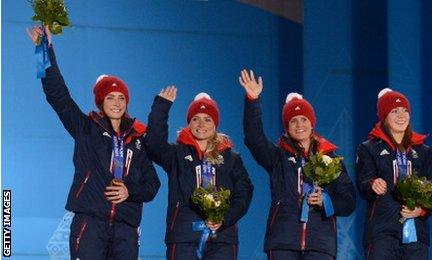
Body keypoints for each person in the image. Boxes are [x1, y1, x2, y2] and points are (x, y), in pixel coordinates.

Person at [28, 26, 160, 259]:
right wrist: (44, 51)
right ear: (101, 102)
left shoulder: (136, 140)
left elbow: (152, 185)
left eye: (121, 98)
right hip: (90, 223)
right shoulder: (86, 129)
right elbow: (56, 94)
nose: (117, 103)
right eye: (110, 97)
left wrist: (130, 190)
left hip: (125, 230)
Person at [239, 69, 356, 259]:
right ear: (287, 127)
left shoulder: (330, 159)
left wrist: (326, 201)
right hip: (282, 241)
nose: (299, 124)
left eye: (304, 119)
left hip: (320, 244)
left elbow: (349, 201)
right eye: (293, 121)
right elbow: (254, 138)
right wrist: (252, 100)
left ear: (312, 124)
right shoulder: (277, 157)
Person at [145, 86, 253, 259]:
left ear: (215, 125)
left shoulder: (231, 159)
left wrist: (224, 219)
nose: (201, 124)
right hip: (183, 237)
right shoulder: (177, 154)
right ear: (189, 123)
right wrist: (161, 107)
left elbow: (244, 193)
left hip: (222, 239)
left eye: (207, 119)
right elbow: (153, 144)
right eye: (195, 119)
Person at [356, 88, 432, 259]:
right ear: (384, 116)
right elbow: (362, 183)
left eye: (405, 111)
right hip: (381, 233)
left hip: (417, 235)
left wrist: (421, 210)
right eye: (394, 111)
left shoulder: (423, 151)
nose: (401, 115)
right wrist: (372, 184)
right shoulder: (368, 148)